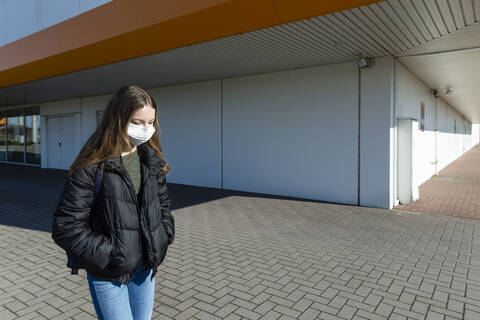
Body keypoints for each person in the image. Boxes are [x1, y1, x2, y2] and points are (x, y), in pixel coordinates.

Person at [51, 85, 175, 320]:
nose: (146, 129)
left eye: (151, 123)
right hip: (110, 275)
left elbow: (164, 208)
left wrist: (163, 236)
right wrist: (112, 256)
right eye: (138, 122)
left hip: (145, 270)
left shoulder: (151, 162)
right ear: (118, 119)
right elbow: (67, 227)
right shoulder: (91, 166)